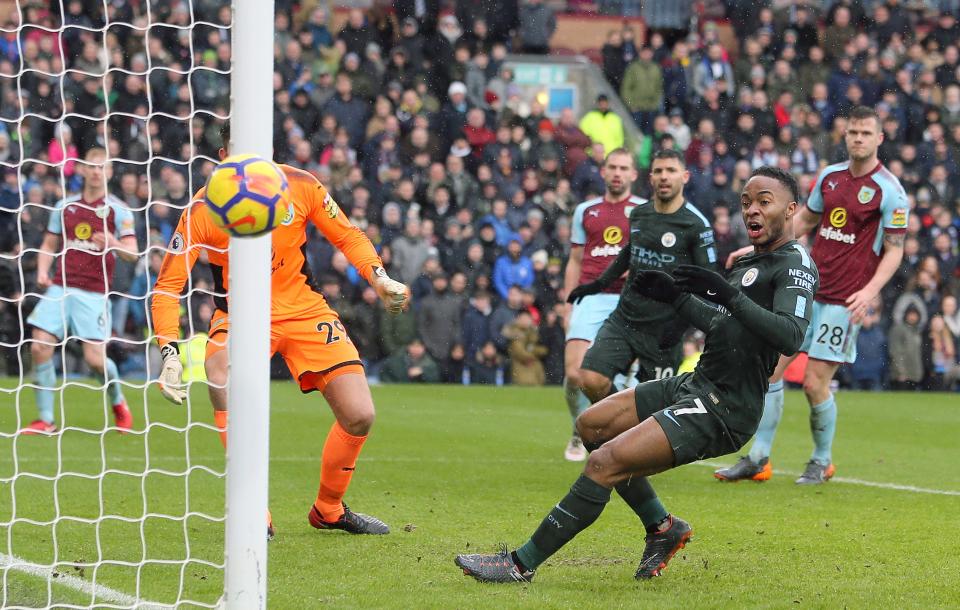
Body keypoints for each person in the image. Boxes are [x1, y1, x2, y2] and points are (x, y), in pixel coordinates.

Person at [454, 166, 818, 583]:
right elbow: (723, 324)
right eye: (746, 202)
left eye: (764, 201)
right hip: (697, 384)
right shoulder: (752, 261)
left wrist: (729, 295)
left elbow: (790, 335)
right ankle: (664, 529)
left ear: (791, 209)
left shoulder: (794, 265)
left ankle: (519, 564)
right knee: (593, 426)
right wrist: (676, 298)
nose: (752, 210)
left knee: (604, 463)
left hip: (726, 407)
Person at [151, 124, 410, 538]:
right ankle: (253, 510)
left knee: (360, 415)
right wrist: (168, 353)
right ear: (222, 157)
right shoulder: (203, 210)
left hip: (304, 308)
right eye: (240, 154)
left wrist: (378, 278)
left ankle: (328, 509)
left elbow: (348, 235)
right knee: (219, 377)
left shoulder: (301, 185)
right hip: (239, 316)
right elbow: (167, 288)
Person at [716, 106, 907, 485]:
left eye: (866, 133)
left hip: (845, 301)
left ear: (879, 138)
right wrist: (758, 251)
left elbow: (895, 249)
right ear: (845, 134)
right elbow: (801, 222)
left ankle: (821, 460)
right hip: (806, 289)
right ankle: (759, 457)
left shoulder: (891, 191)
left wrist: (869, 292)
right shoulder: (829, 177)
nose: (858, 139)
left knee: (814, 383)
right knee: (770, 372)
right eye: (853, 132)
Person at [569, 149, 717, 405]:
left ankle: (630, 426)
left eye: (671, 171)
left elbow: (708, 282)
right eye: (658, 171)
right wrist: (599, 283)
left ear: (684, 177)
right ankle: (621, 421)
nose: (664, 177)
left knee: (654, 406)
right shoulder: (639, 214)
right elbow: (630, 251)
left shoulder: (696, 224)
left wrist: (682, 325)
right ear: (650, 178)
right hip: (625, 320)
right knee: (590, 379)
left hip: (663, 330)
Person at [23, 148, 137, 434]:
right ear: (82, 170)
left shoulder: (119, 209)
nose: (97, 171)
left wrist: (114, 243)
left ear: (109, 172)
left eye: (102, 167)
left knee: (94, 360)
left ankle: (118, 400)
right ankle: (46, 419)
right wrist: (41, 270)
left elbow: (134, 254)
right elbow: (49, 245)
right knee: (39, 346)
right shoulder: (65, 206)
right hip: (61, 287)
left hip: (94, 293)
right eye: (92, 166)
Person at [561, 148, 646, 461]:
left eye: (624, 168)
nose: (617, 173)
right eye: (612, 167)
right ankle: (579, 427)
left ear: (633, 174)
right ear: (603, 171)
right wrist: (568, 302)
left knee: (619, 380)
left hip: (629, 299)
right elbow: (574, 260)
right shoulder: (585, 209)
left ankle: (614, 436)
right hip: (590, 296)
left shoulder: (643, 209)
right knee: (574, 374)